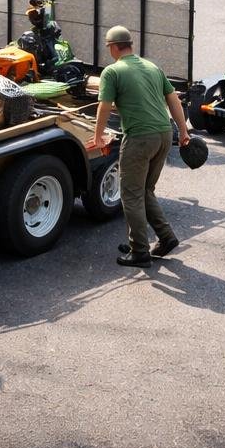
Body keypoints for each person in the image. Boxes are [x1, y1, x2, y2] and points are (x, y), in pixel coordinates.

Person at [87, 25, 190, 268]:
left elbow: (104, 106)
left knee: (131, 194)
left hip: (140, 138)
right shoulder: (152, 67)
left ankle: (139, 251)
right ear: (130, 45)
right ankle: (165, 238)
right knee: (145, 190)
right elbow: (173, 98)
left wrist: (99, 135)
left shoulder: (112, 72)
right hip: (164, 134)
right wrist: (183, 131)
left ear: (112, 47)